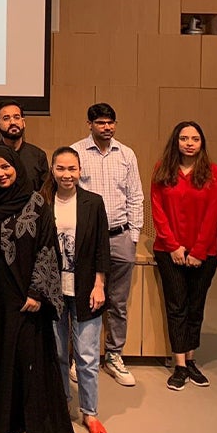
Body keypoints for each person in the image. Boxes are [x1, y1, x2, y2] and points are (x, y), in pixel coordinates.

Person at [0, 146, 74, 433]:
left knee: (25, 357)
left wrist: (37, 291)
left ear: (16, 167)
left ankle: (28, 423)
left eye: (6, 167)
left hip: (21, 293)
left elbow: (47, 249)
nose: (0, 173)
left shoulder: (36, 203)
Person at [70, 102, 143, 387]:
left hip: (119, 236)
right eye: (100, 122)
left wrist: (133, 236)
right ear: (89, 124)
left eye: (111, 122)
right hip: (87, 240)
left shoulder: (126, 154)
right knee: (83, 300)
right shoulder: (76, 152)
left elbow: (135, 196)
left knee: (118, 302)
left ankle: (114, 356)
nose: (107, 127)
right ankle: (80, 358)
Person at [150, 121, 217, 392]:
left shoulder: (213, 173)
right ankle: (179, 365)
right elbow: (157, 210)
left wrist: (198, 251)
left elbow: (213, 213)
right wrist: (173, 246)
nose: (189, 143)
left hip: (204, 253)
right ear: (176, 142)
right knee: (176, 305)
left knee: (195, 306)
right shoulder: (162, 169)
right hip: (169, 252)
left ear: (202, 142)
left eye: (195, 138)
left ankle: (191, 360)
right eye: (184, 138)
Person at [47, 147, 110, 433]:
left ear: (80, 170)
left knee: (85, 356)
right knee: (58, 353)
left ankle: (90, 412)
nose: (67, 175)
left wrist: (100, 285)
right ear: (52, 169)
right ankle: (61, 407)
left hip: (86, 289)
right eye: (61, 168)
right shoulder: (43, 201)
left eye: (72, 169)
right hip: (52, 292)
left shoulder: (93, 203)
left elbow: (101, 247)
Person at [0, 100, 49, 192]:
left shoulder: (38, 156)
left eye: (17, 117)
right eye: (6, 118)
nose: (13, 122)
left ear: (23, 122)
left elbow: (45, 193)